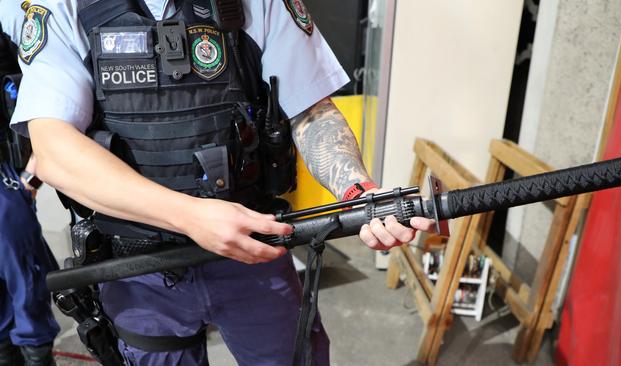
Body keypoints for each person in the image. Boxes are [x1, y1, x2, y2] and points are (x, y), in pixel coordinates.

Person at [9, 0, 435, 364]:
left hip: (253, 253)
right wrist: (190, 217)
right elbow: (53, 149)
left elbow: (311, 112)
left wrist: (357, 192)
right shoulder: (65, 6)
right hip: (138, 269)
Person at [0, 6, 60, 365]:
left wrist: (33, 176)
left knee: (24, 279)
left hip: (7, 177)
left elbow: (40, 82)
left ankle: (37, 355)